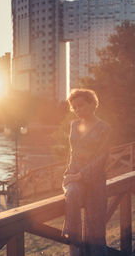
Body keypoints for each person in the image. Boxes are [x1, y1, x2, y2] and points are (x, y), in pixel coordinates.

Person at [62, 88, 111, 256]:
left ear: (92, 104)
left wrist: (80, 175)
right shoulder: (74, 125)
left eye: (81, 106)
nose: (77, 111)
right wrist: (70, 175)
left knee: (96, 230)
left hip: (95, 180)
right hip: (74, 175)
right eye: (74, 108)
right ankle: (73, 242)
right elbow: (73, 152)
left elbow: (102, 158)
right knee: (73, 193)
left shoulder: (104, 128)